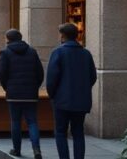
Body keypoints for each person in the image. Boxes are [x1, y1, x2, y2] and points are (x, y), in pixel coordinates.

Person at [47, 23, 97, 159]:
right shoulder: (86, 54)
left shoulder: (58, 52)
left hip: (61, 100)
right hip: (81, 100)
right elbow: (93, 77)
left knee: (60, 132)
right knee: (78, 132)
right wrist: (83, 89)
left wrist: (52, 95)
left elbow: (51, 79)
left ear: (63, 36)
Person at [0, 29, 44, 159]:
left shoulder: (5, 52)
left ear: (8, 39)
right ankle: (37, 150)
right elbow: (40, 73)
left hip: (14, 93)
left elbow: (1, 73)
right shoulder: (32, 52)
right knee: (32, 122)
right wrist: (34, 87)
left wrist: (7, 88)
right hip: (30, 93)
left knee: (15, 121)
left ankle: (16, 150)